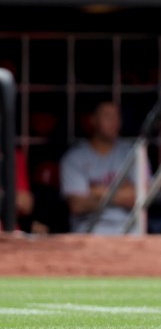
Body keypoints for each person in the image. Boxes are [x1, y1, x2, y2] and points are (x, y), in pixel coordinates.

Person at [60, 100, 149, 234]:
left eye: (117, 117)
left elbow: (142, 197)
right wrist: (123, 191)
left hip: (129, 231)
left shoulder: (134, 153)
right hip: (90, 233)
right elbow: (77, 205)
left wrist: (98, 192)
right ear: (93, 120)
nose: (115, 123)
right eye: (108, 117)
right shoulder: (74, 158)